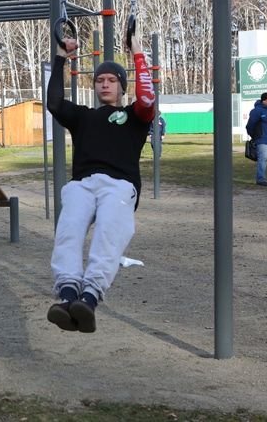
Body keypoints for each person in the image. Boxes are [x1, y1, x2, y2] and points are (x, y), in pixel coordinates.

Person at [45, 35, 155, 333]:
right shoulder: (84, 117)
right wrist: (60, 57)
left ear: (122, 86)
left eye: (111, 80)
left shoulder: (134, 116)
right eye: (99, 80)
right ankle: (68, 296)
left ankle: (89, 298)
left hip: (119, 185)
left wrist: (137, 52)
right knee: (67, 233)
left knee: (108, 234)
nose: (104, 84)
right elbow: (53, 102)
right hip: (81, 184)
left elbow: (147, 99)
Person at [245, 92, 267, 187]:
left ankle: (262, 177)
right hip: (261, 139)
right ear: (264, 100)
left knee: (266, 159)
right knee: (262, 159)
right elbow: (249, 125)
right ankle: (260, 178)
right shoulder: (257, 111)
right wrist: (254, 136)